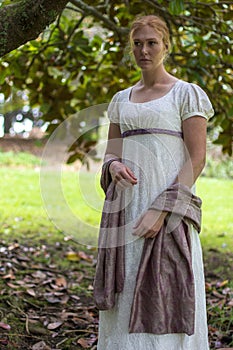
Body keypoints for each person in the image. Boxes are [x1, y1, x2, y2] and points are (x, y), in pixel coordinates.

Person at [94, 14, 214, 350]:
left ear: (166, 46)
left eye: (151, 43)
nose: (143, 50)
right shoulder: (120, 99)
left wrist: (161, 211)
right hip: (126, 207)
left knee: (167, 287)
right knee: (127, 289)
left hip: (168, 206)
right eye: (137, 43)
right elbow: (109, 153)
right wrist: (114, 165)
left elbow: (197, 158)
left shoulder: (186, 94)